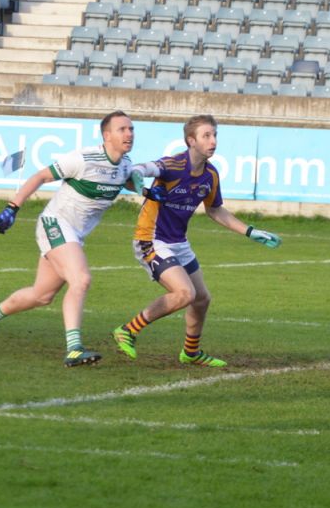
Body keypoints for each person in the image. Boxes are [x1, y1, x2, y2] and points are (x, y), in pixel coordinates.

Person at [112, 115, 282, 369]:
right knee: (184, 293)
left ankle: (191, 353)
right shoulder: (174, 165)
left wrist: (250, 231)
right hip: (151, 239)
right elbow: (145, 168)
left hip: (178, 242)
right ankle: (128, 330)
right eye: (206, 136)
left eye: (214, 135)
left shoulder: (210, 175)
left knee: (201, 299)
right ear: (191, 141)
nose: (213, 141)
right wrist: (137, 174)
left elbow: (215, 211)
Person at [0, 111, 143, 367]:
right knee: (81, 279)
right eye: (122, 129)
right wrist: (13, 207)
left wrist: (140, 184)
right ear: (106, 135)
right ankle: (74, 348)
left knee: (42, 295)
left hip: (75, 234)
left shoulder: (125, 164)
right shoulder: (83, 158)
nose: (129, 134)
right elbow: (40, 176)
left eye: (131, 129)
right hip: (55, 224)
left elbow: (125, 180)